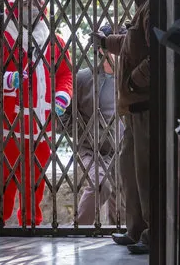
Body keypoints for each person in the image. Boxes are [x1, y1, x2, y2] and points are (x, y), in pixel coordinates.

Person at [0, 0, 73, 227]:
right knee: (3, 176)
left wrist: (62, 95)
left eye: (33, 3)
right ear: (12, 8)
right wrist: (9, 79)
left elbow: (65, 74)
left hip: (41, 122)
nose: (29, 9)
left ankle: (31, 223)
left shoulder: (54, 40)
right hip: (7, 120)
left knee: (36, 177)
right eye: (23, 4)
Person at [93, 0, 151, 254]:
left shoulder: (154, 7)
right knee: (131, 170)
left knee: (145, 173)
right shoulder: (144, 6)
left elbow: (155, 56)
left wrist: (131, 80)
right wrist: (105, 41)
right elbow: (132, 45)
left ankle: (151, 233)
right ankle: (136, 228)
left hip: (145, 106)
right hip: (134, 108)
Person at [60, 24, 126, 226]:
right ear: (101, 49)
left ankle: (121, 232)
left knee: (122, 198)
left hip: (122, 148)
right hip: (92, 149)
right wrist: (83, 134)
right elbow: (63, 116)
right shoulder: (83, 78)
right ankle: (79, 228)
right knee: (101, 185)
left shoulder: (128, 77)